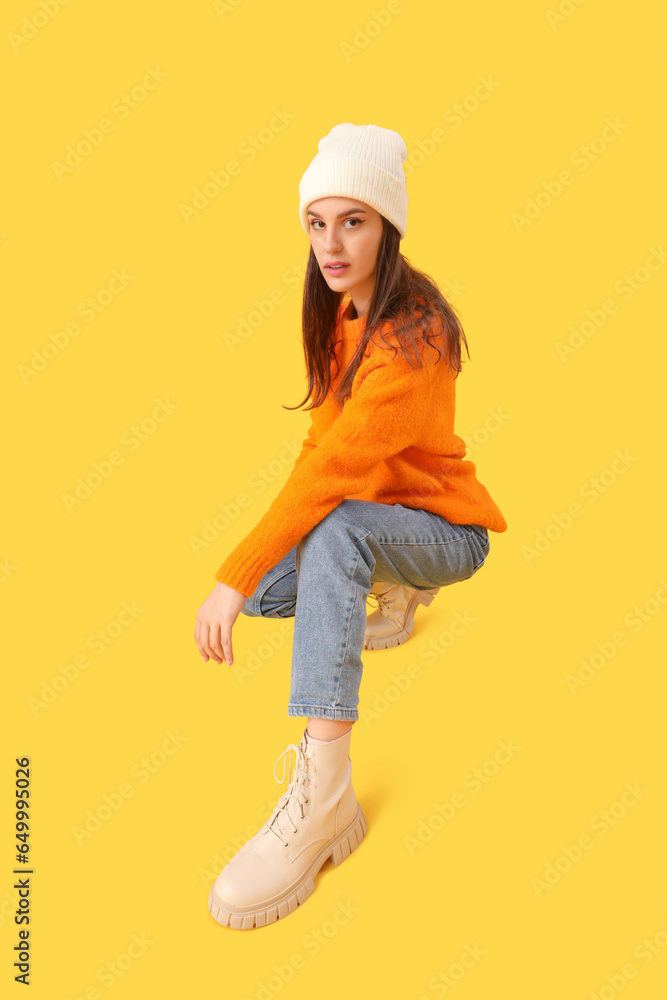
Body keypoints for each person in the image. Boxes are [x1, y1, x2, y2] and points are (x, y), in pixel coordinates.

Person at [194, 122, 508, 930]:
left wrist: (227, 579)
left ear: (388, 225)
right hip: (374, 521)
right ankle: (387, 586)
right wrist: (242, 572)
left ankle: (326, 794)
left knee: (324, 540)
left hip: (441, 529)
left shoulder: (412, 335)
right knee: (271, 581)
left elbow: (333, 477)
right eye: (316, 222)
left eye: (353, 221)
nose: (330, 244)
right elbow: (320, 451)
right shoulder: (342, 315)